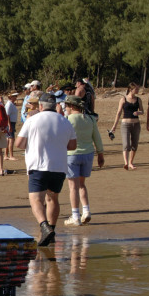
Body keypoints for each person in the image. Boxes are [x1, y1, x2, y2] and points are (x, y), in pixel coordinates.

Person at [14, 92, 77, 246]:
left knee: (36, 199)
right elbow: (72, 146)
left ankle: (44, 226)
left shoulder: (32, 120)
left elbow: (19, 144)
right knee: (52, 198)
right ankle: (52, 229)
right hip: (59, 166)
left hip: (38, 165)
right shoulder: (65, 121)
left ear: (41, 106)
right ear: (56, 106)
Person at [62, 95, 105, 225]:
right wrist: (100, 154)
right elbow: (97, 137)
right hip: (88, 154)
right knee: (82, 184)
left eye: (67, 106)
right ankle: (86, 211)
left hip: (72, 154)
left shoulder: (67, 119)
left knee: (72, 187)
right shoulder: (90, 119)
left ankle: (75, 215)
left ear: (71, 106)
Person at [108, 85, 144, 170]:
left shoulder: (138, 99)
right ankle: (126, 163)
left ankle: (131, 162)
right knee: (126, 144)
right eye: (136, 89)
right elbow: (119, 113)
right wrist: (114, 126)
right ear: (131, 89)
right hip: (125, 124)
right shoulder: (123, 99)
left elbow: (142, 111)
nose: (138, 90)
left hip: (136, 124)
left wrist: (138, 113)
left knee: (134, 144)